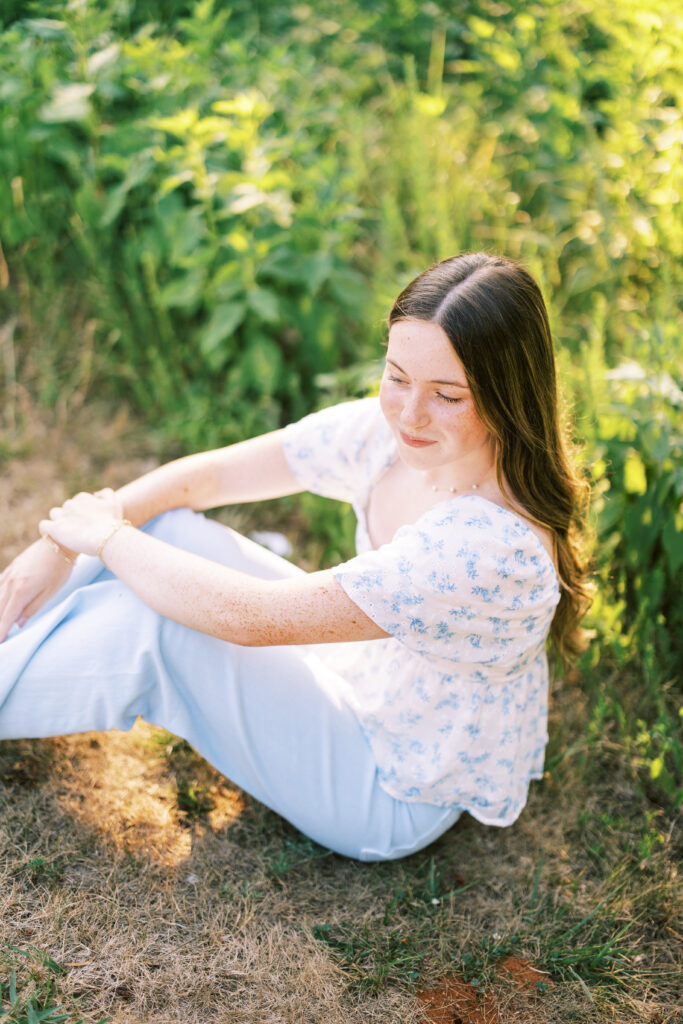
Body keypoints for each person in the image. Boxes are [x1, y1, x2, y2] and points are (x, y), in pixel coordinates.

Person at [0, 253, 591, 861]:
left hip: (388, 786)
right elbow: (205, 479)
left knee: (156, 626)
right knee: (166, 528)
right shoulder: (391, 438)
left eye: (448, 395)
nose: (410, 414)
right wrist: (55, 547)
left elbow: (249, 619)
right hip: (361, 673)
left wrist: (102, 538)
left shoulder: (491, 550)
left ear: (506, 396)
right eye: (397, 376)